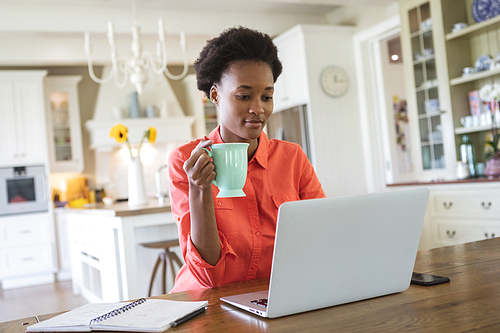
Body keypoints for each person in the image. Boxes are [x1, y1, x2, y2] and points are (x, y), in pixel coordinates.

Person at [168, 26, 326, 293]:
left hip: (274, 296)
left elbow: (323, 235)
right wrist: (199, 190)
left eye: (267, 97)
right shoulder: (186, 160)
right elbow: (209, 276)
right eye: (244, 96)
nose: (259, 109)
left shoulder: (292, 158)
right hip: (206, 303)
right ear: (215, 95)